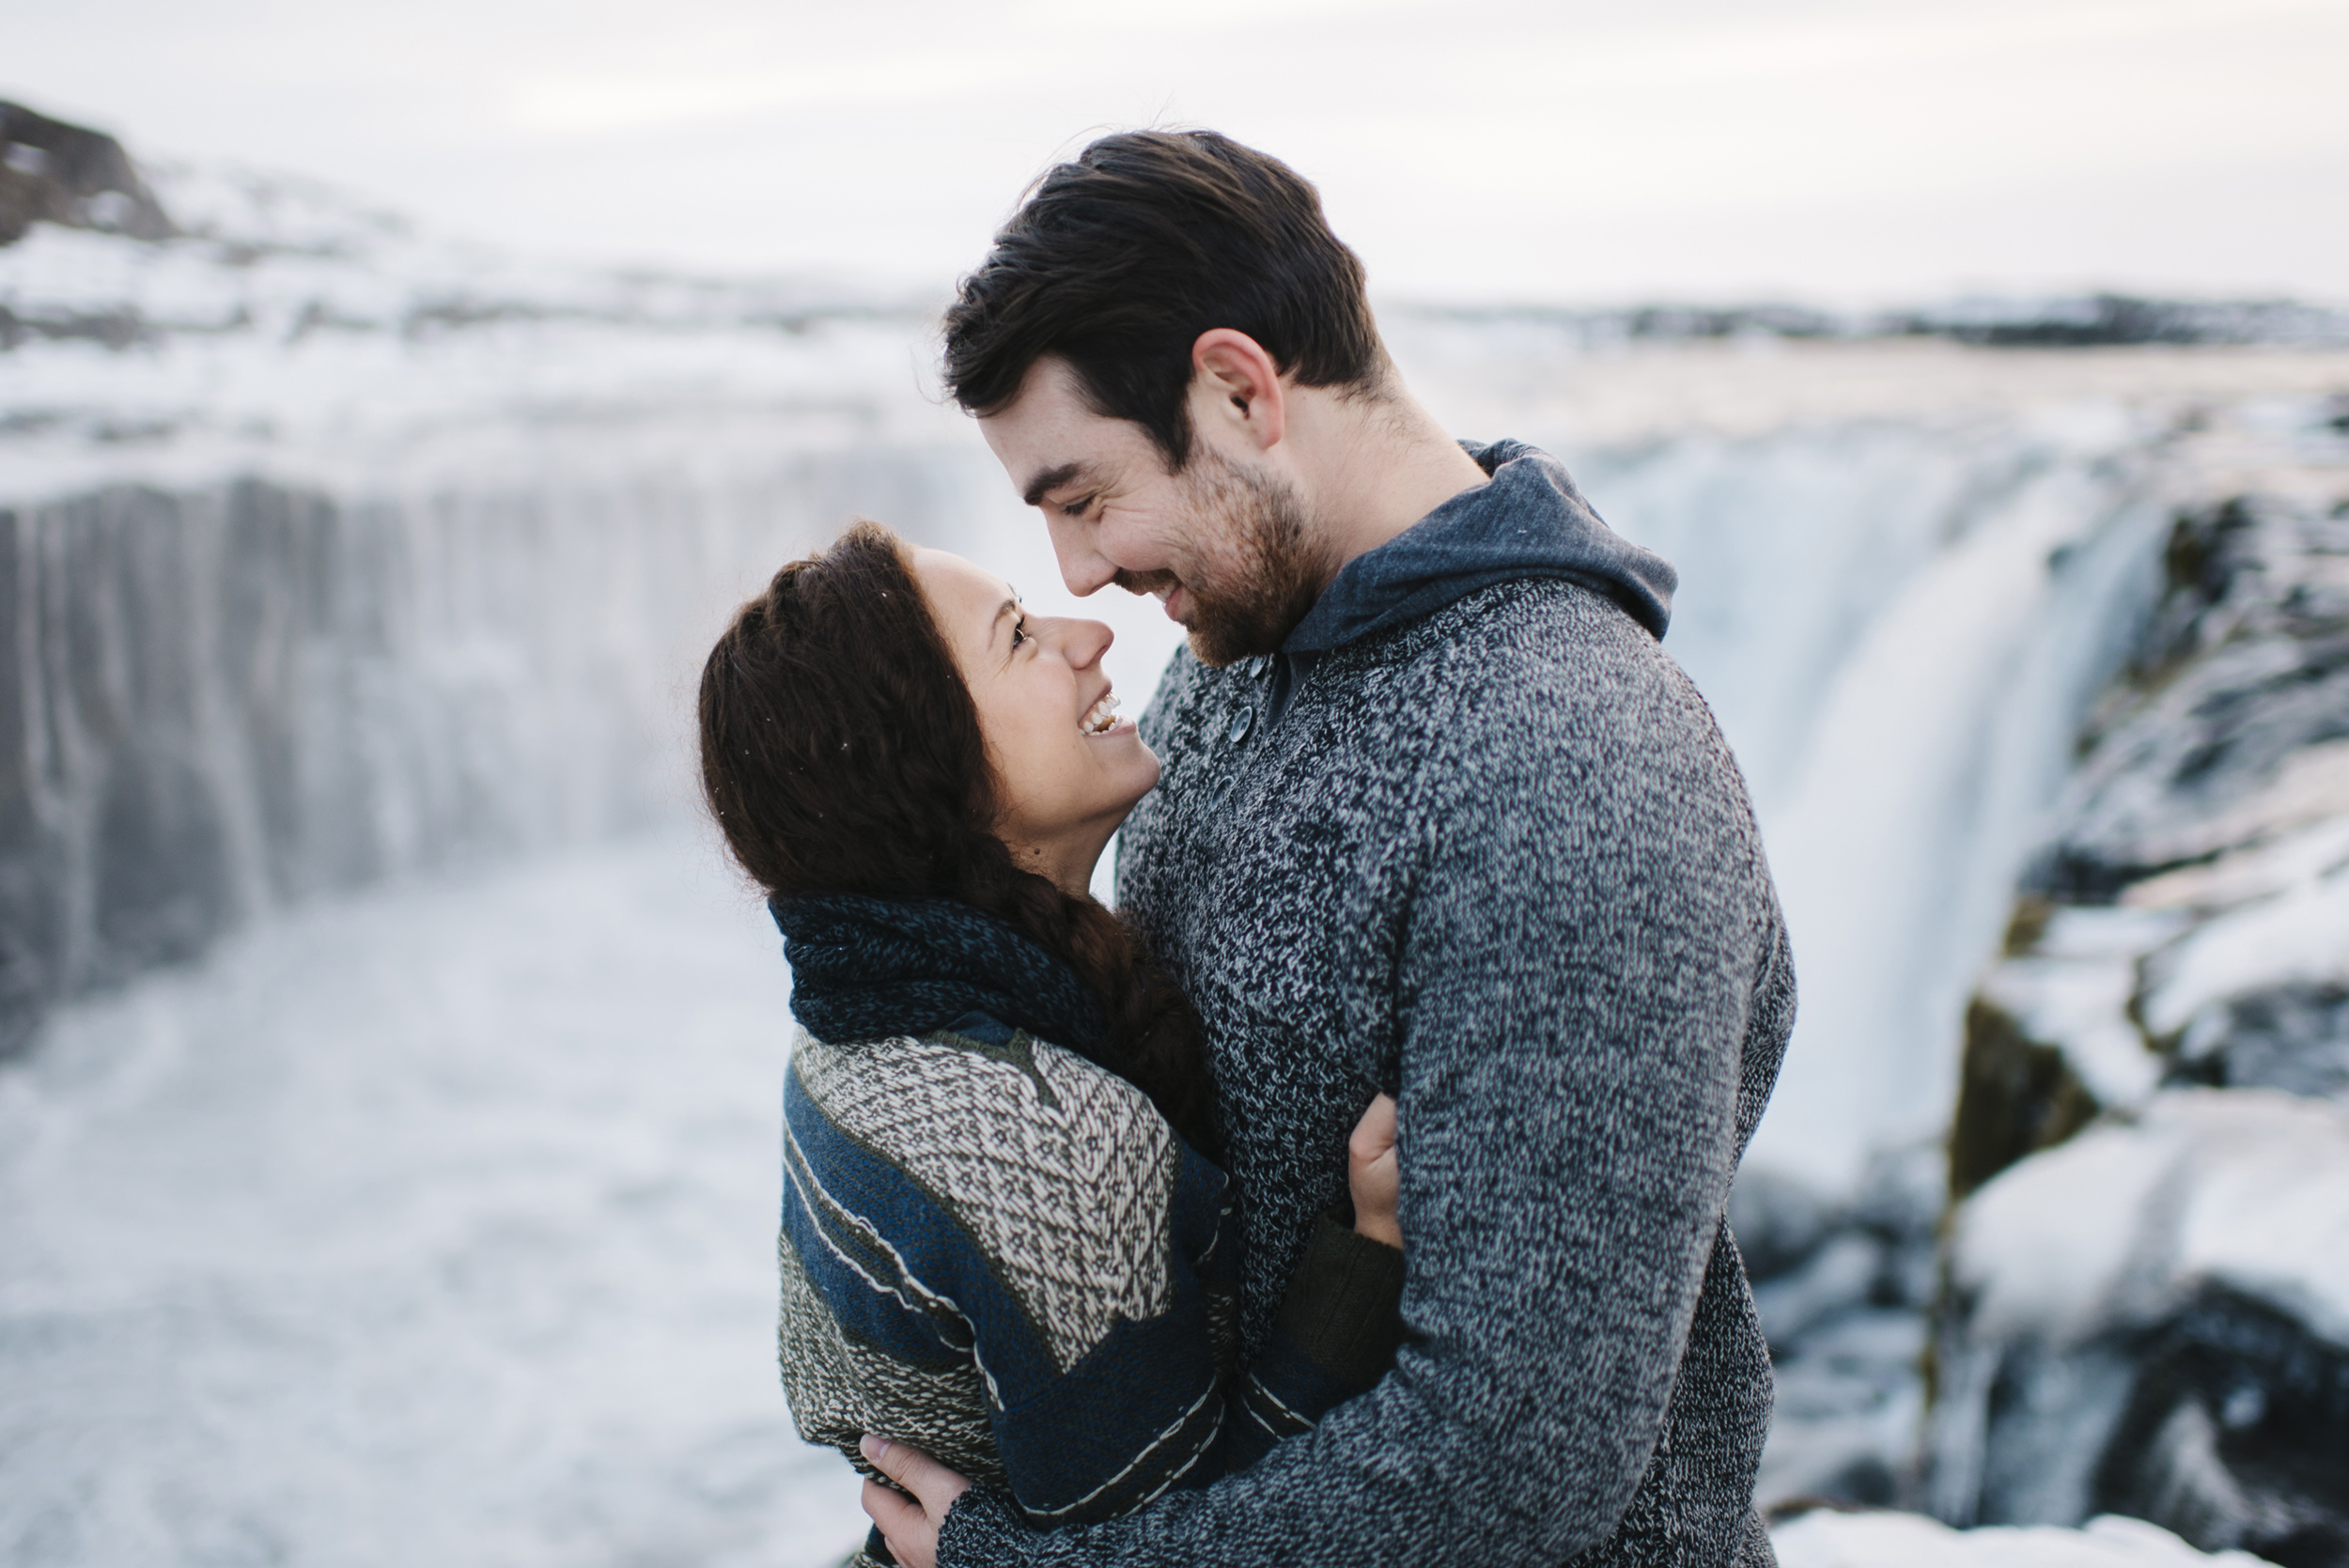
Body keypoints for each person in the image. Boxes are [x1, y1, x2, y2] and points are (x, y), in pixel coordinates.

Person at [858, 131, 1797, 1567]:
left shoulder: (1570, 763)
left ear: (1239, 391)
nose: (1080, 575)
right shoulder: (1239, 645)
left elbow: (1507, 1477)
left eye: (1084, 495)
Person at [698, 521, 1413, 1567]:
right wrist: (1365, 1262)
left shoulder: (848, 1031)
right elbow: (1201, 1538)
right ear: (930, 771)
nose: (1088, 634)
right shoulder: (1049, 1135)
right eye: (1020, 636)